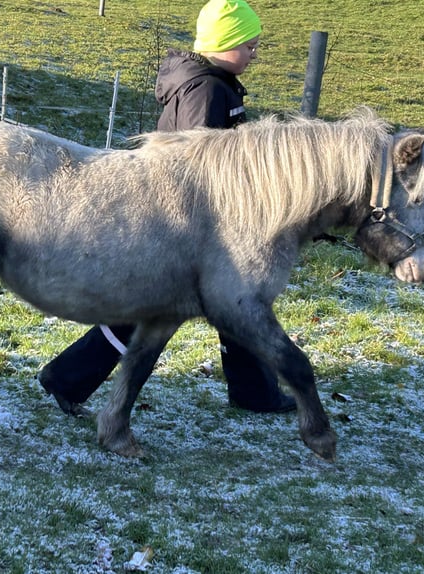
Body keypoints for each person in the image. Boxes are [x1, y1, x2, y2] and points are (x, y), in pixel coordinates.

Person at [38, 0, 295, 416]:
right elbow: (194, 162)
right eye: (248, 44)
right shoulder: (208, 90)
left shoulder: (212, 84)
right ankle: (67, 377)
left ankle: (255, 393)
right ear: (225, 42)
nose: (254, 53)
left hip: (192, 219)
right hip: (186, 222)